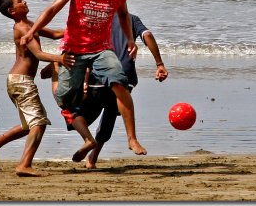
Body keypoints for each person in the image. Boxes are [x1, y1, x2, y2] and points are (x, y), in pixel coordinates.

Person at [21, 0, 146, 162]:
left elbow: (124, 15)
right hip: (74, 50)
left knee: (119, 81)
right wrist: (31, 31)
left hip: (102, 49)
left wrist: (130, 40)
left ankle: (132, 138)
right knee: (64, 98)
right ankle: (55, 67)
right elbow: (52, 9)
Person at [41, 13, 168, 169]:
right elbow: (147, 35)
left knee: (71, 110)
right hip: (126, 76)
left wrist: (55, 66)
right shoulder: (131, 18)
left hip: (99, 76)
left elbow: (77, 46)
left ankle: (88, 140)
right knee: (110, 114)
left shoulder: (93, 18)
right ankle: (94, 158)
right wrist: (159, 64)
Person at [0, 0, 74, 177]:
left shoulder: (30, 25)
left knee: (28, 125)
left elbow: (56, 33)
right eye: (19, 1)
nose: (24, 2)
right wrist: (60, 59)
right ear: (12, 11)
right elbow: (38, 54)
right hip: (21, 82)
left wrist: (80, 30)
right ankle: (24, 165)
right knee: (38, 122)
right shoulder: (22, 28)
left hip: (19, 81)